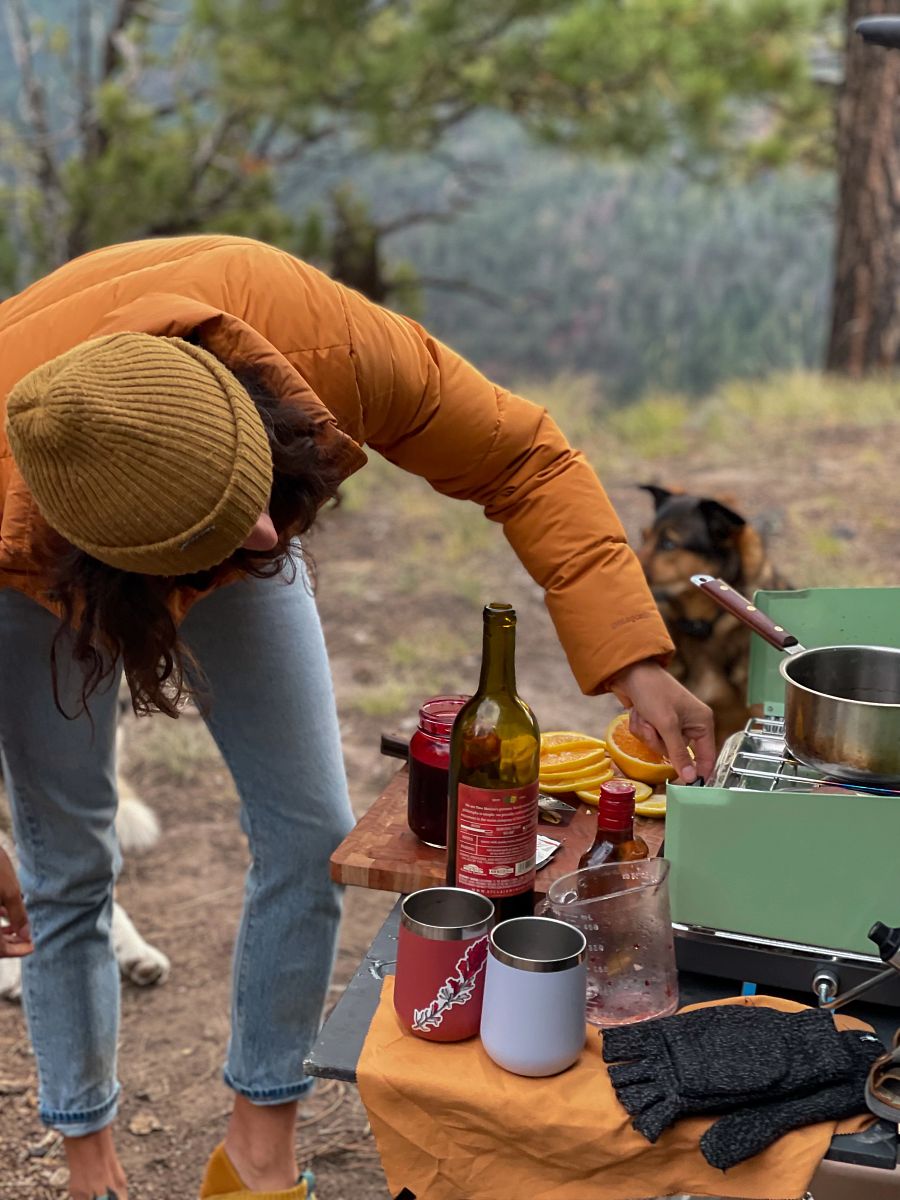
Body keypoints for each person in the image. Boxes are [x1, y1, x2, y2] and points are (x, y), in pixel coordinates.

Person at [0, 234, 714, 1200]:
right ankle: (91, 1164)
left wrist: (636, 661)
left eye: (257, 510)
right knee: (66, 868)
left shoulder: (320, 345)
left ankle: (257, 1153)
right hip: (34, 575)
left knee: (308, 836)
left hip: (218, 463)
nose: (265, 542)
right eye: (223, 537)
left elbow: (523, 455)